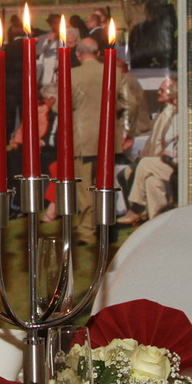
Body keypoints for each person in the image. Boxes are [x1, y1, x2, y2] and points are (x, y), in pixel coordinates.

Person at [118, 78, 178, 225]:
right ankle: (156, 222)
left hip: (171, 163)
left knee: (144, 165)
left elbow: (169, 144)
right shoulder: (163, 112)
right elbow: (152, 141)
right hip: (160, 160)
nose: (158, 92)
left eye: (163, 90)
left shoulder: (177, 116)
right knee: (151, 182)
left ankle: (137, 208)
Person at [68, 37, 105, 235]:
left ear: (78, 54)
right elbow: (130, 104)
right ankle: (104, 223)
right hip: (108, 136)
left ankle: (87, 228)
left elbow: (60, 107)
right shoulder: (114, 72)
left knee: (85, 185)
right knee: (104, 181)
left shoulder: (72, 75)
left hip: (83, 136)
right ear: (98, 54)